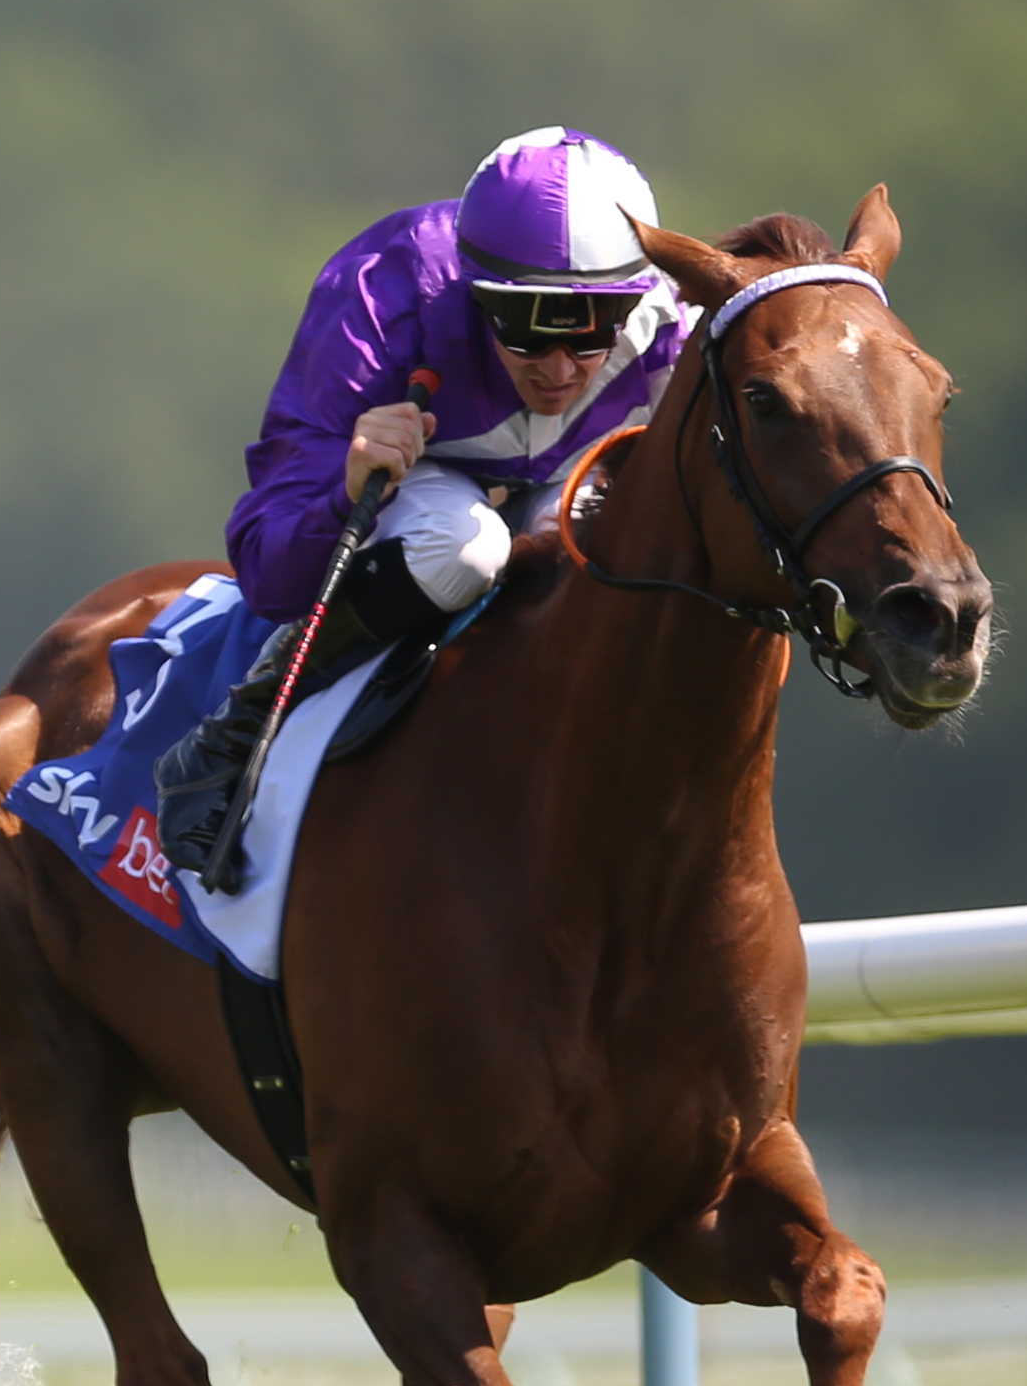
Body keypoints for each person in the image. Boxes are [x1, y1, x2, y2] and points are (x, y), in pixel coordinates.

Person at [157, 126, 694, 881]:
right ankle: (237, 730)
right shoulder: (382, 295)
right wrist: (348, 485)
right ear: (476, 297)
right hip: (430, 481)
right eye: (527, 328)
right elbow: (267, 573)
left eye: (594, 329)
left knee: (586, 542)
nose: (561, 368)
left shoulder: (670, 318)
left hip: (570, 473)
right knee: (464, 549)